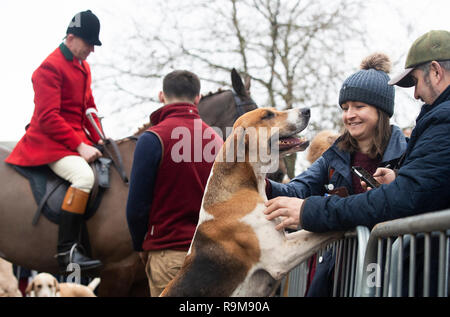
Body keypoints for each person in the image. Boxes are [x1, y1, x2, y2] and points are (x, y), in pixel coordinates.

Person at [265, 30, 450, 295]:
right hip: (341, 274)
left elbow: (407, 197)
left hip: (391, 275)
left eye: (359, 106)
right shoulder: (333, 155)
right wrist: (262, 184)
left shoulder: (411, 146)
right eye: (345, 107)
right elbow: (297, 191)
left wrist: (397, 182)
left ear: (381, 111)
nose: (349, 115)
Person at [5, 10, 104, 272]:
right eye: (88, 43)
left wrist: (100, 138)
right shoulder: (48, 68)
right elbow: (48, 117)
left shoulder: (83, 67)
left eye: (94, 44)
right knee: (84, 178)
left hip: (73, 139)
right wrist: (80, 145)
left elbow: (89, 109)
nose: (91, 50)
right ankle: (67, 250)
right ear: (71, 38)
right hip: (48, 142)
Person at [126, 70, 223, 297]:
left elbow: (136, 208)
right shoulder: (218, 141)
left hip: (168, 254)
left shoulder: (152, 138)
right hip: (212, 256)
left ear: (161, 96)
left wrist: (141, 244)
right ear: (197, 99)